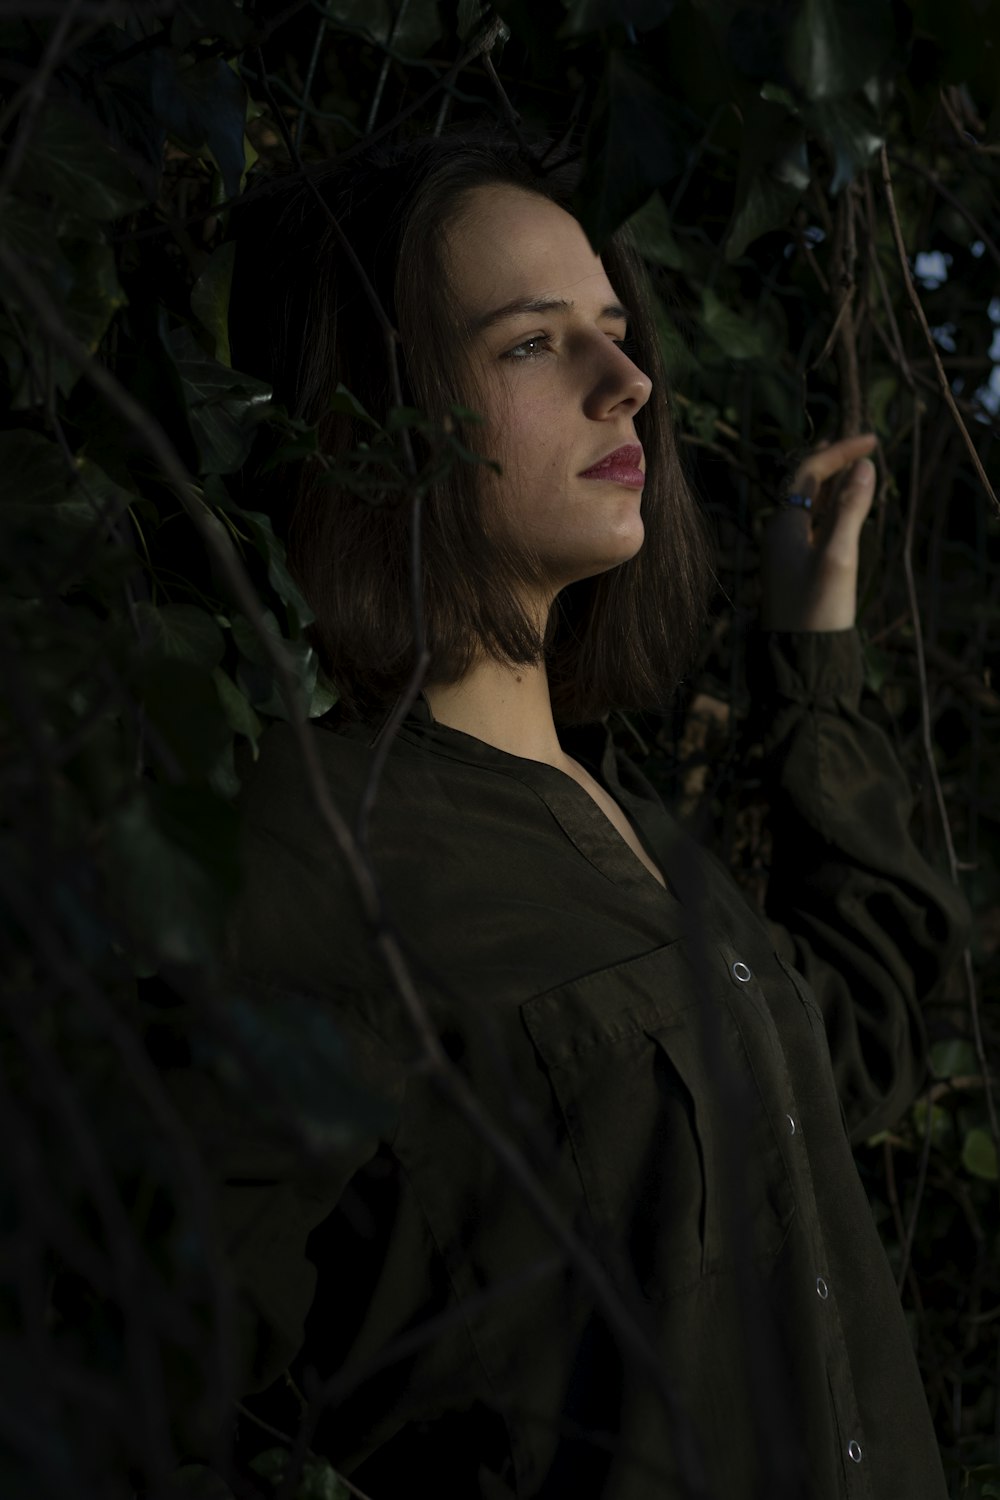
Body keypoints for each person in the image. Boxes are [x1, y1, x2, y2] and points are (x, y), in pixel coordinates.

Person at [203, 131, 969, 1498]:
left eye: (613, 329)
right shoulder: (300, 855)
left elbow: (856, 1037)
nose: (631, 385)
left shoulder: (620, 828)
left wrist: (815, 645)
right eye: (531, 345)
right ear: (372, 414)